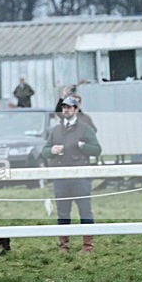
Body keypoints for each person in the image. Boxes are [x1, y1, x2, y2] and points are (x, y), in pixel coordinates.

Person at [41, 95, 102, 253]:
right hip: (61, 177)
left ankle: (88, 246)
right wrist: (51, 151)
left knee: (85, 210)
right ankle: (64, 246)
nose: (66, 110)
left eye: (69, 107)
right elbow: (45, 151)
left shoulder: (85, 128)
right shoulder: (56, 130)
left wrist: (83, 146)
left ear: (76, 109)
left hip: (80, 177)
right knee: (63, 212)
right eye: (64, 107)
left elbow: (97, 150)